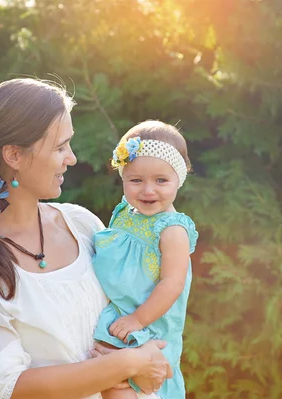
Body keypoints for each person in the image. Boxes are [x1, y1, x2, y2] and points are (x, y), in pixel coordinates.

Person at [0, 78, 172, 399]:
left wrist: (144, 366)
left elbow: (130, 311)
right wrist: (126, 364)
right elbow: (9, 386)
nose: (72, 158)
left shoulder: (82, 224)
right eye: (60, 147)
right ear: (14, 155)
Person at [93, 121, 198, 399]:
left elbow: (172, 284)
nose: (148, 191)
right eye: (136, 180)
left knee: (125, 389)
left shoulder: (172, 229)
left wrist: (138, 320)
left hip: (147, 323)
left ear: (179, 178)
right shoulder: (125, 213)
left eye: (161, 181)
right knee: (106, 382)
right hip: (117, 314)